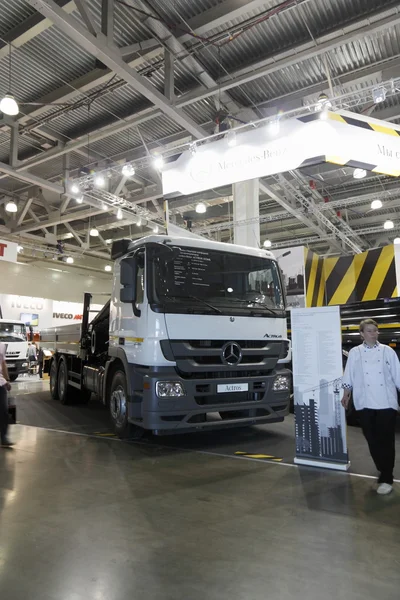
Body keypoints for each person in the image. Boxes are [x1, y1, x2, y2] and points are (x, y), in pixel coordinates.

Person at [342, 318, 400, 495]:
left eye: (375, 330)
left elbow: (398, 374)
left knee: (386, 440)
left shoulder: (387, 351)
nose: (373, 334)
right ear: (361, 334)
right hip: (364, 402)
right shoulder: (355, 352)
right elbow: (349, 375)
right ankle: (382, 467)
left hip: (386, 402)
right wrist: (346, 394)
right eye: (369, 331)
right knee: (372, 439)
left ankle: (387, 476)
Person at [0, 342, 14, 447]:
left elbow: (3, 363)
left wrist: (7, 379)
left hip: (0, 382)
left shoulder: (2, 346)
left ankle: (4, 437)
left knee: (4, 410)